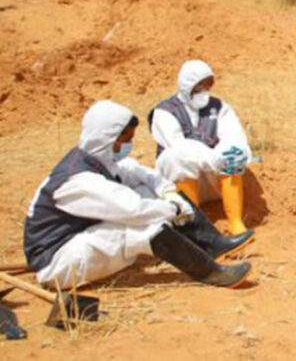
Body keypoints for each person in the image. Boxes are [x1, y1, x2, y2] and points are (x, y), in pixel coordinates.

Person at [23, 100, 252, 289]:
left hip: (78, 238)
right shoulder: (79, 181)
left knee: (148, 191)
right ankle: (211, 273)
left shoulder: (93, 157)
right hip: (57, 262)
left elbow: (138, 172)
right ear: (108, 139)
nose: (126, 147)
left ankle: (212, 243)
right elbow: (133, 210)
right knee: (143, 226)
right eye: (124, 141)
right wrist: (172, 209)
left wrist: (168, 192)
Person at [151, 60, 254, 237]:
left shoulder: (219, 107)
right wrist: (212, 159)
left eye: (208, 84)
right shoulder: (164, 112)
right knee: (174, 157)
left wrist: (232, 152)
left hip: (214, 180)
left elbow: (233, 134)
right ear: (187, 85)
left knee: (233, 154)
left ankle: (236, 223)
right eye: (199, 86)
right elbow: (179, 146)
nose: (204, 89)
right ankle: (193, 227)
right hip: (180, 182)